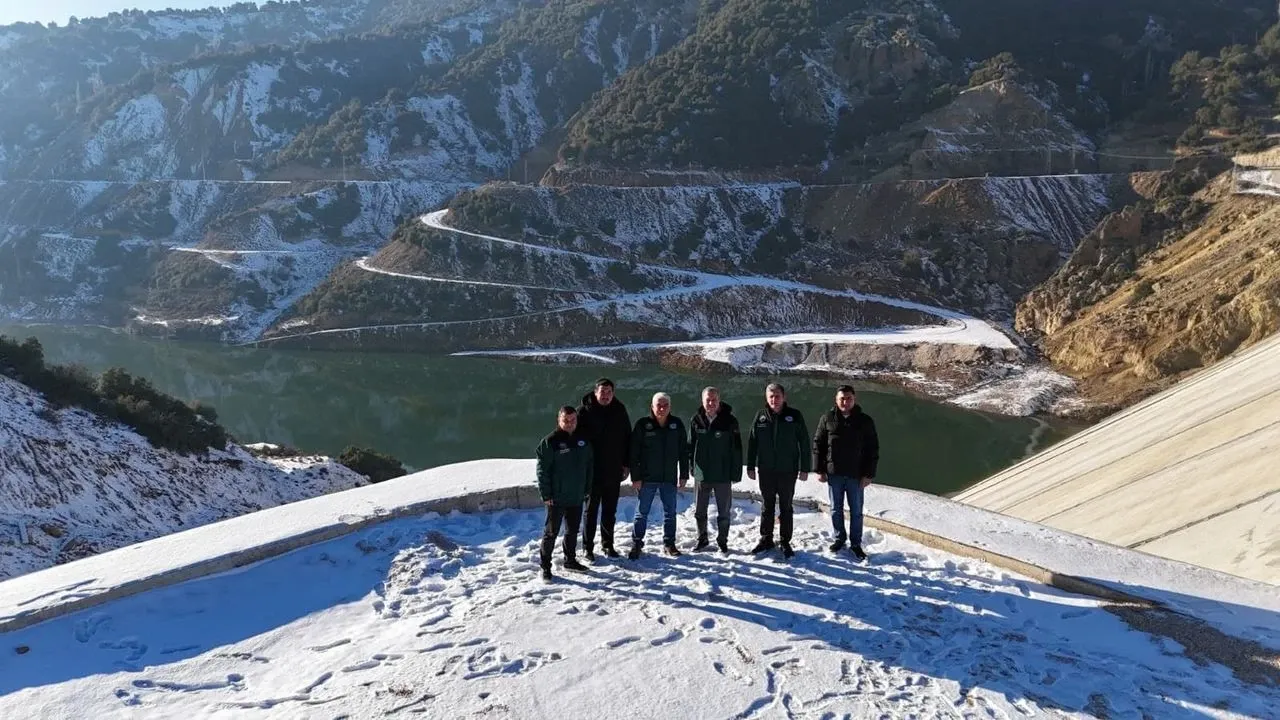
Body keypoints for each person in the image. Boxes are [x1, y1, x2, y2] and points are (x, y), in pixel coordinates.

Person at [813, 385, 879, 561]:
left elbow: (872, 449)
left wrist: (869, 474)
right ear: (836, 400)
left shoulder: (865, 421)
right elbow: (818, 444)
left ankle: (856, 543)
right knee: (836, 509)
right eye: (842, 398)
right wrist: (819, 469)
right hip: (834, 473)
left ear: (854, 399)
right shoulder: (827, 418)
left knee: (856, 511)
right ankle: (839, 538)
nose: (845, 402)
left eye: (849, 398)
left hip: (856, 475)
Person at [746, 383, 810, 559]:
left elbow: (804, 442)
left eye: (777, 396)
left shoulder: (794, 416)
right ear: (766, 398)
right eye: (771, 396)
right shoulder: (760, 416)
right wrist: (750, 465)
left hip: (788, 470)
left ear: (784, 397)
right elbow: (752, 442)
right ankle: (766, 538)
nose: (774, 399)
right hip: (766, 469)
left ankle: (785, 541)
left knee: (786, 506)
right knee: (767, 505)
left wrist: (805, 468)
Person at [534, 406, 593, 580]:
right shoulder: (550, 442)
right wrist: (546, 495)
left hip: (576, 495)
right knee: (551, 533)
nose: (569, 423)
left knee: (572, 530)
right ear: (559, 420)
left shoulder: (583, 441)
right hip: (556, 497)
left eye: (573, 420)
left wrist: (587, 489)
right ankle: (545, 566)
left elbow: (589, 466)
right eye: (565, 420)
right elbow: (542, 471)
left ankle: (570, 560)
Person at [628, 392, 689, 559]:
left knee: (670, 512)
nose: (662, 409)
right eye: (658, 405)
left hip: (669, 477)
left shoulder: (676, 424)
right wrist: (635, 477)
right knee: (642, 512)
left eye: (665, 405)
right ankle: (637, 543)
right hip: (647, 478)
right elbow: (634, 453)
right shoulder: (643, 425)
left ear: (670, 407)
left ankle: (669, 543)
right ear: (652, 407)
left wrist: (684, 474)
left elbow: (683, 451)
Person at [576, 378, 632, 560]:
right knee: (590, 511)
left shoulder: (619, 410)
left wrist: (626, 464)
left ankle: (608, 545)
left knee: (610, 510)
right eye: (602, 392)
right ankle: (587, 548)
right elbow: (575, 440)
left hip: (613, 469)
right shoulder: (583, 412)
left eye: (609, 392)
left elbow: (627, 437)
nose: (606, 395)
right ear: (595, 392)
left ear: (613, 393)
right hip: (591, 471)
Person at [689, 386, 742, 554]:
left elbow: (737, 448)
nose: (711, 403)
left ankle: (722, 541)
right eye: (708, 400)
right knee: (699, 511)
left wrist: (736, 473)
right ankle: (702, 539)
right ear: (702, 401)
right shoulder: (696, 420)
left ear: (719, 401)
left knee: (724, 511)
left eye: (714, 400)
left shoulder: (730, 421)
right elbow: (690, 446)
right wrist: (692, 468)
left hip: (723, 473)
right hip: (702, 473)